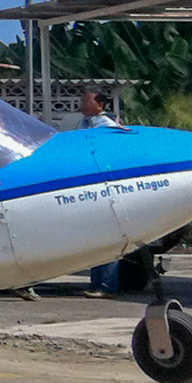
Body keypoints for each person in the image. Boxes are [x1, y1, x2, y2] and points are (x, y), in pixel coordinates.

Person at [79, 90, 119, 297]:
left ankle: (107, 285)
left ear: (100, 105)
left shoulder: (106, 127)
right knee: (96, 240)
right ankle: (96, 284)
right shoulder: (84, 124)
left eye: (87, 100)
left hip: (105, 188)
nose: (82, 103)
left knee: (108, 239)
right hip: (90, 187)